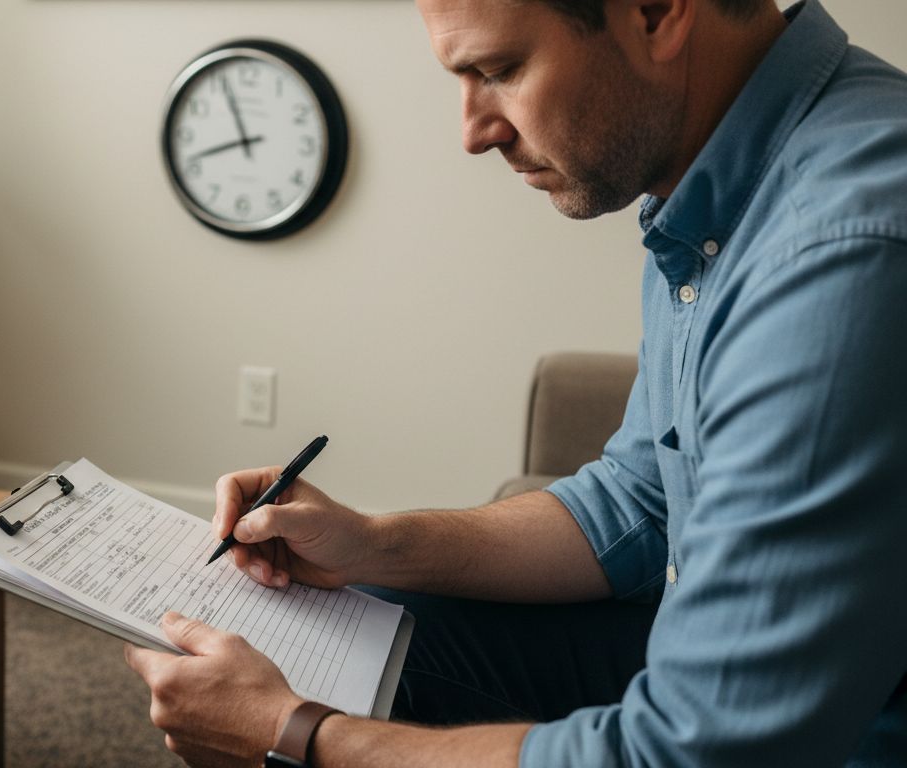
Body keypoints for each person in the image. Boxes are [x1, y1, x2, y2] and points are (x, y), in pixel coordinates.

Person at [125, 0, 907, 764]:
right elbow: (639, 502)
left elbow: (697, 751)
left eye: (499, 70)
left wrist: (297, 736)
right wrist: (373, 545)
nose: (472, 131)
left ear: (657, 12)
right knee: (386, 624)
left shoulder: (841, 255)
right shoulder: (712, 197)